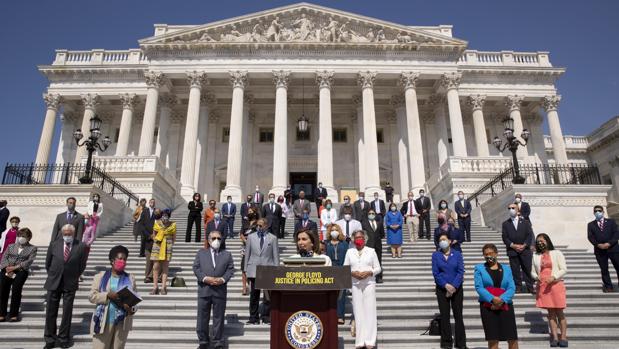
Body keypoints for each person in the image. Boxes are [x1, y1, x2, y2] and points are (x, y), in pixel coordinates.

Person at [44, 224, 87, 349]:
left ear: (73, 233)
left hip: (70, 282)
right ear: (62, 233)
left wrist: (74, 276)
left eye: (69, 233)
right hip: (54, 281)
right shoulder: (54, 244)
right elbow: (48, 263)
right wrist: (54, 274)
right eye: (65, 233)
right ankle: (50, 339)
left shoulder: (81, 246)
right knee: (51, 311)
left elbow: (82, 265)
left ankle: (63, 338)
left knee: (67, 312)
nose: (67, 236)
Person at [89, 245, 138, 349]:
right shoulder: (100, 277)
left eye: (125, 259)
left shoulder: (130, 278)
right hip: (103, 321)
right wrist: (107, 295)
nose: (123, 261)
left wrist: (131, 309)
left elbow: (135, 301)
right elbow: (92, 296)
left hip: (122, 323)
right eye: (120, 259)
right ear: (112, 261)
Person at [193, 230, 235, 349]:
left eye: (219, 238)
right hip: (204, 289)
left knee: (219, 317)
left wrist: (222, 279)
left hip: (219, 290)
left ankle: (218, 341)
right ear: (209, 240)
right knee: (202, 317)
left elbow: (230, 270)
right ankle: (203, 341)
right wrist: (205, 278)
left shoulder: (227, 254)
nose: (216, 240)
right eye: (214, 238)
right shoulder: (201, 253)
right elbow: (196, 268)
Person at [474, 243, 518, 349]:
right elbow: (479, 287)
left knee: (512, 338)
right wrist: (492, 299)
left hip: (505, 305)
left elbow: (511, 287)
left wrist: (502, 299)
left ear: (496, 253)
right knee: (493, 339)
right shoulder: (479, 268)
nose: (489, 256)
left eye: (491, 253)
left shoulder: (506, 268)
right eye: (486, 254)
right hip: (488, 306)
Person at [344, 230, 381, 349]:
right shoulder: (350, 251)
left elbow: (378, 268)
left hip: (369, 283)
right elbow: (345, 267)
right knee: (358, 311)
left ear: (365, 239)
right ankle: (360, 341)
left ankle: (370, 340)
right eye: (357, 237)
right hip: (355, 284)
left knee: (370, 311)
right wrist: (352, 273)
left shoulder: (371, 251)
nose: (359, 239)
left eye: (361, 237)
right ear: (353, 239)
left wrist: (369, 272)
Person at [531, 234, 568, 347]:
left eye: (542, 241)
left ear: (547, 241)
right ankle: (555, 337)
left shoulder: (557, 253)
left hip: (556, 284)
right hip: (543, 286)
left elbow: (564, 269)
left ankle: (564, 337)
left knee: (560, 312)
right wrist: (537, 277)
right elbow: (532, 271)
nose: (540, 243)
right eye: (538, 242)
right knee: (551, 313)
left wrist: (554, 277)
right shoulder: (535, 255)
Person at [432, 232, 467, 349]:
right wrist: (446, 285)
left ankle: (461, 343)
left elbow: (461, 271)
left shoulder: (457, 254)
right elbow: (436, 273)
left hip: (457, 289)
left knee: (458, 316)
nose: (442, 241)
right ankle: (446, 342)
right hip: (442, 289)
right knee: (445, 315)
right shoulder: (436, 255)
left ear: (450, 241)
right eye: (440, 240)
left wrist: (453, 286)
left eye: (444, 239)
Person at [244, 218, 279, 324]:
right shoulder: (251, 237)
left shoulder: (272, 238)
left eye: (260, 225)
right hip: (254, 269)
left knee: (267, 296)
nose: (258, 227)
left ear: (266, 226)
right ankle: (253, 317)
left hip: (267, 269)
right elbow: (247, 253)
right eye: (257, 225)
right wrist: (245, 269)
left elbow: (275, 255)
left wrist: (276, 269)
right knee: (254, 295)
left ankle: (266, 316)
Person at [0, 227, 36, 322]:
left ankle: (13, 314)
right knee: (2, 289)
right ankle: (2, 313)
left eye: (24, 236)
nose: (21, 238)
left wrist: (15, 268)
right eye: (20, 235)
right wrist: (7, 267)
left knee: (16, 290)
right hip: (7, 269)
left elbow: (29, 261)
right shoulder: (11, 246)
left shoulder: (32, 248)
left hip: (20, 271)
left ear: (29, 238)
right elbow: (4, 257)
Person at [502, 203, 534, 294]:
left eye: (513, 208)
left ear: (517, 210)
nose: (511, 209)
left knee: (527, 269)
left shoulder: (525, 222)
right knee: (515, 270)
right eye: (509, 208)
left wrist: (524, 245)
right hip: (513, 250)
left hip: (525, 250)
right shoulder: (505, 223)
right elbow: (505, 237)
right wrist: (513, 245)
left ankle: (530, 287)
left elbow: (529, 235)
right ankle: (518, 287)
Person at [587, 205, 619, 293]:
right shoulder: (590, 224)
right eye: (596, 211)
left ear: (603, 212)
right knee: (604, 269)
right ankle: (608, 286)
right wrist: (598, 245)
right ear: (594, 213)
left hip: (613, 249)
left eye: (599, 211)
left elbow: (616, 234)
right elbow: (590, 237)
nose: (598, 212)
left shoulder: (611, 222)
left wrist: (609, 243)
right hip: (599, 250)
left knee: (618, 266)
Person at [325, 224, 349, 323]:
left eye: (336, 230)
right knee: (331, 293)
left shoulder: (344, 243)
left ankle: (340, 315)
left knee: (341, 294)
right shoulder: (326, 244)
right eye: (332, 230)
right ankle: (331, 315)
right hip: (330, 270)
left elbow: (348, 257)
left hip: (342, 269)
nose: (334, 232)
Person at [150, 208, 176, 295]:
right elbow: (153, 235)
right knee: (155, 267)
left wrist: (169, 243)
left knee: (165, 267)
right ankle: (155, 287)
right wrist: (157, 239)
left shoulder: (173, 225)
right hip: (157, 245)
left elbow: (174, 237)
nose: (165, 217)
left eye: (166, 215)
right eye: (163, 215)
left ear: (169, 216)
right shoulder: (157, 224)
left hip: (167, 246)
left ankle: (163, 287)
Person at [362, 209, 384, 283]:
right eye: (370, 213)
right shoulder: (364, 223)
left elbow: (382, 234)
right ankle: (368, 277)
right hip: (368, 245)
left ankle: (379, 277)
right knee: (368, 261)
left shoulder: (379, 223)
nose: (371, 214)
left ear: (375, 214)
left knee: (378, 261)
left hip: (378, 246)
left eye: (373, 213)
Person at [240, 208, 259, 296]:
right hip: (245, 248)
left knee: (253, 267)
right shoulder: (245, 223)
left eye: (251, 212)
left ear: (255, 213)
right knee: (244, 267)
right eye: (248, 212)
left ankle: (252, 286)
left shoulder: (258, 223)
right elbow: (241, 233)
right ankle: (244, 287)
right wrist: (244, 240)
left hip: (255, 248)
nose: (249, 213)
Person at [139, 200, 157, 282]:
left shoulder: (157, 211)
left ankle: (153, 276)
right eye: (151, 202)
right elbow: (141, 224)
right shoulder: (145, 211)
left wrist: (155, 235)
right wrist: (148, 235)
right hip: (147, 238)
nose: (152, 203)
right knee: (148, 259)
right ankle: (147, 276)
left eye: (153, 202)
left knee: (156, 259)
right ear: (149, 203)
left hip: (156, 238)